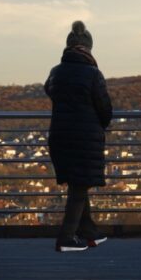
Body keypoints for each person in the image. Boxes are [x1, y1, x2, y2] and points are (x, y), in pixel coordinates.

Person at [44, 21, 113, 252]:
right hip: (84, 137)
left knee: (78, 185)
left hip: (59, 135)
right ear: (88, 48)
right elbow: (105, 108)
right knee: (79, 187)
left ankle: (89, 232)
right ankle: (66, 238)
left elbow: (50, 91)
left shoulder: (55, 72)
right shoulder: (93, 73)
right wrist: (98, 125)